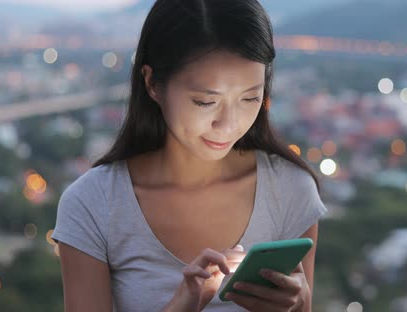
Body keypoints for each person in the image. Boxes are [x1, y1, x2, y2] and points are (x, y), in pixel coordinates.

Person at [50, 0, 328, 311]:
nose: (229, 124)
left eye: (250, 97)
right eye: (205, 102)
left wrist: (301, 305)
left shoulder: (289, 190)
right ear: (153, 83)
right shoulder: (94, 204)